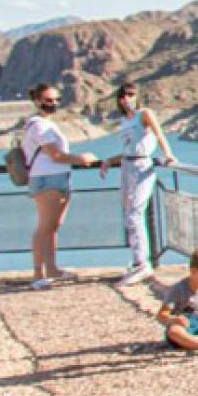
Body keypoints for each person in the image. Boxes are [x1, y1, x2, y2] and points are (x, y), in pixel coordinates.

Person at [21, 83, 102, 291]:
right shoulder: (39, 125)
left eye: (56, 100)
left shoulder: (46, 124)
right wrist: (81, 158)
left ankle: (52, 268)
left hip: (58, 178)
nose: (53, 104)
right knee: (45, 226)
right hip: (46, 179)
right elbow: (55, 155)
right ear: (37, 101)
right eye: (48, 100)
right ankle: (38, 273)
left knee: (53, 226)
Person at [98, 82, 177, 288]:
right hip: (127, 165)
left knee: (136, 212)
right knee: (129, 214)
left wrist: (168, 155)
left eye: (131, 94)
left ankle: (143, 263)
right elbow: (130, 148)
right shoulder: (125, 120)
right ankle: (137, 259)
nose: (127, 99)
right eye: (123, 96)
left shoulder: (145, 114)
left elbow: (159, 135)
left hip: (142, 165)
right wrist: (110, 160)